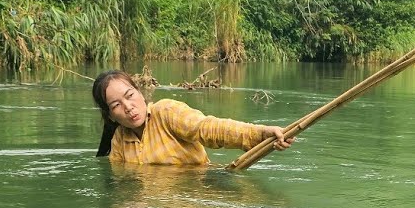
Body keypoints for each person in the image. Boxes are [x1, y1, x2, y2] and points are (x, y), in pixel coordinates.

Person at [92, 70, 293, 165]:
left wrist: (260, 133)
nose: (128, 107)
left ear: (140, 92)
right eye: (116, 105)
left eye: (130, 96)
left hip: (201, 192)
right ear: (110, 115)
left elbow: (209, 128)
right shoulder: (119, 141)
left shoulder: (166, 112)